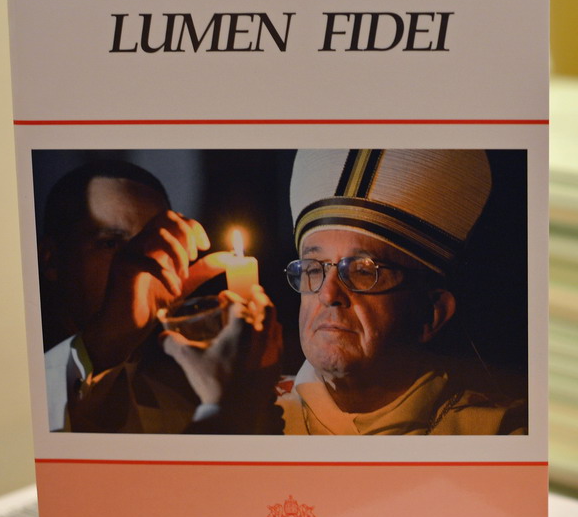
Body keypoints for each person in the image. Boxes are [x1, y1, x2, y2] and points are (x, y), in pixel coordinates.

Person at [277, 149, 527, 435]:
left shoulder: (497, 434)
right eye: (314, 268)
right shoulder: (249, 415)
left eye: (363, 271)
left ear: (432, 314)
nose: (328, 293)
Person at [40, 160, 280, 433]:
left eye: (154, 244)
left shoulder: (179, 407)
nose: (137, 264)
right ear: (52, 260)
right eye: (111, 243)